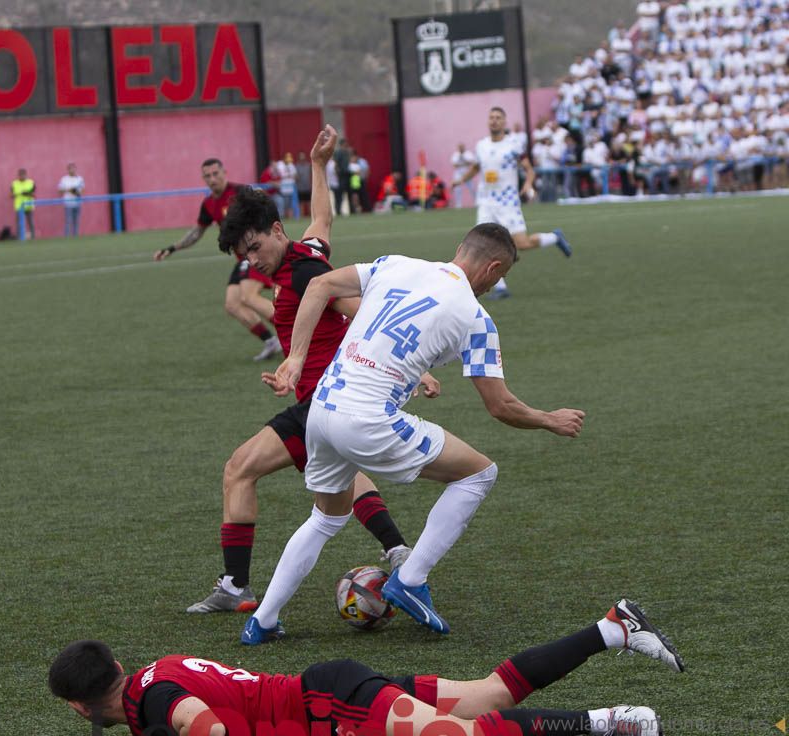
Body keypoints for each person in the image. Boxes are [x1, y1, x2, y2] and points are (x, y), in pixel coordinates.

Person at [246, 223, 585, 642]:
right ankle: (410, 579)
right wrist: (549, 419)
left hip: (321, 409)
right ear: (493, 268)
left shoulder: (396, 264)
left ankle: (262, 620)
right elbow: (501, 406)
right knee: (479, 474)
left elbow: (318, 285)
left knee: (325, 517)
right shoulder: (476, 317)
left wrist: (295, 359)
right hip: (368, 419)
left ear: (460, 248)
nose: (495, 285)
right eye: (500, 277)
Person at [187, 125, 429, 614]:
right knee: (338, 479)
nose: (251, 262)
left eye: (254, 248)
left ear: (277, 231)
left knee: (238, 469)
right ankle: (399, 550)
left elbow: (360, 309)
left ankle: (237, 586)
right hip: (330, 400)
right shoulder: (305, 253)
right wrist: (318, 166)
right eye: (243, 257)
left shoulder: (303, 274)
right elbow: (322, 216)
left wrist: (413, 366)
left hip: (324, 397)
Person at [49, 599, 684, 736]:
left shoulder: (147, 701)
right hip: (334, 687)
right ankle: (611, 630)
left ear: (81, 706)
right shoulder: (154, 674)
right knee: (491, 694)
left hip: (331, 702)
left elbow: (209, 728)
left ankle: (610, 720)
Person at [153, 158, 280, 362]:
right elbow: (197, 232)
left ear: (224, 173)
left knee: (248, 297)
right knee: (232, 304)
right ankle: (271, 341)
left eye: (215, 174)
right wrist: (172, 248)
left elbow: (266, 208)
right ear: (203, 179)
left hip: (258, 252)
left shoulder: (240, 193)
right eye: (208, 176)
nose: (212, 179)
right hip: (243, 258)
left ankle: (294, 332)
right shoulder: (209, 203)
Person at [458, 108, 572, 299]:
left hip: (508, 202)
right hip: (486, 202)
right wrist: (460, 180)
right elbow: (477, 167)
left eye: (498, 118)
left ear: (505, 122)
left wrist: (528, 184)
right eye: (491, 118)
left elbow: (529, 170)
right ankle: (500, 288)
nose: (494, 121)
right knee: (483, 244)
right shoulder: (481, 146)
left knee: (522, 244)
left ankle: (554, 237)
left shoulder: (514, 145)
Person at [56, 163, 85, 237]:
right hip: (68, 203)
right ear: (68, 170)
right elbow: (60, 190)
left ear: (75, 169)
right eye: (70, 169)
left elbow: (82, 191)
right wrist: (69, 190)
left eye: (73, 168)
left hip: (77, 202)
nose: (72, 170)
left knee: (76, 222)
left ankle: (75, 237)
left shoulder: (79, 179)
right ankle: (67, 237)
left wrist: (76, 191)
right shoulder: (64, 179)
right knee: (68, 221)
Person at [449, 143, 477, 208]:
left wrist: (463, 161)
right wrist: (465, 163)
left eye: (462, 147)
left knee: (472, 188)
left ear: (464, 147)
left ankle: (476, 202)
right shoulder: (455, 155)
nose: (461, 148)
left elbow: (472, 162)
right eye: (459, 147)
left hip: (467, 173)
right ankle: (459, 204)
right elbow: (455, 165)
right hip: (458, 173)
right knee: (457, 189)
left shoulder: (468, 154)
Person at [11, 168, 36, 240]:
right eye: (20, 175)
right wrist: (18, 193)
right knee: (19, 223)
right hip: (19, 206)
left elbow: (34, 195)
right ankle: (19, 238)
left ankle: (33, 237)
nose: (22, 177)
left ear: (26, 175)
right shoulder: (14, 183)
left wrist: (28, 194)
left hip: (29, 206)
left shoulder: (31, 182)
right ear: (18, 175)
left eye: (24, 175)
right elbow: (10, 195)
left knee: (30, 222)